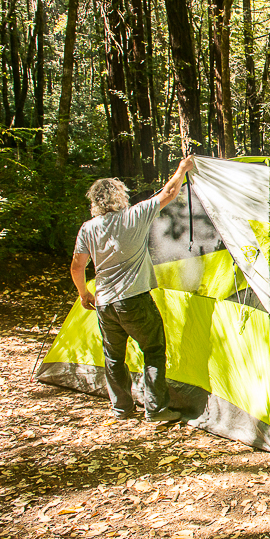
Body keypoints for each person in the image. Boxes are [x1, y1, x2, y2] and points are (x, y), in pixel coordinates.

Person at [70, 156, 194, 422]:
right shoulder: (135, 215)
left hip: (104, 303)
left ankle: (122, 409)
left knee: (113, 356)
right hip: (134, 299)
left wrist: (84, 294)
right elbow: (170, 192)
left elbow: (77, 267)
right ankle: (157, 410)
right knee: (153, 349)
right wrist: (182, 168)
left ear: (95, 201)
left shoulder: (88, 228)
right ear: (119, 196)